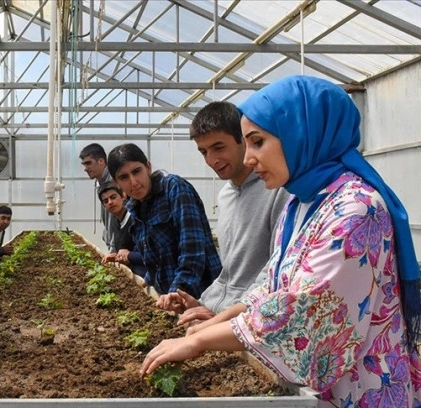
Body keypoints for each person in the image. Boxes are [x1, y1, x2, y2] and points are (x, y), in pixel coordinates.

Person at [140, 76, 421, 407]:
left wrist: (201, 343)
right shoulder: (301, 202)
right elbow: (271, 286)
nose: (248, 159)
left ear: (301, 132)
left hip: (364, 388)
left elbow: (304, 311)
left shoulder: (355, 208)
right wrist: (210, 325)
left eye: (257, 142)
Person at [156, 101, 289, 325]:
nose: (211, 160)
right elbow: (230, 275)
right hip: (225, 316)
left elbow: (275, 273)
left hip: (252, 321)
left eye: (219, 147)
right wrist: (201, 303)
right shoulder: (226, 195)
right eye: (203, 152)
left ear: (243, 141)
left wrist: (222, 316)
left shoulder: (277, 190)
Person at [106, 143, 222, 298]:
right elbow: (154, 259)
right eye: (124, 177)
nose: (133, 182)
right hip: (170, 299)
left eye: (136, 171)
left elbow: (192, 251)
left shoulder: (174, 189)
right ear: (116, 183)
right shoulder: (135, 207)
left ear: (148, 167)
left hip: (201, 296)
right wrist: (149, 280)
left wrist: (176, 293)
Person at [97, 183, 147, 279]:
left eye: (113, 197)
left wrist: (129, 256)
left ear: (123, 196)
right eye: (105, 201)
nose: (110, 202)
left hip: (145, 277)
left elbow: (150, 255)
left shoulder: (135, 220)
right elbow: (126, 251)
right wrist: (116, 256)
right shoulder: (116, 222)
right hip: (132, 275)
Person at [79, 143, 117, 252]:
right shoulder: (100, 183)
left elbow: (116, 217)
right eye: (84, 164)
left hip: (121, 246)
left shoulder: (113, 181)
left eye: (88, 163)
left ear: (101, 161)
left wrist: (114, 247)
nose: (85, 168)